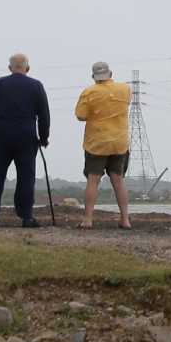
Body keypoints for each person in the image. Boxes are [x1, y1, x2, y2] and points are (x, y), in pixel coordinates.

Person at [0, 53, 50, 228]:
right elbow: (44, 115)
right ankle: (26, 216)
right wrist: (43, 137)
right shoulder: (36, 86)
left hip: (0, 136)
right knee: (26, 177)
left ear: (10, 68)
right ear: (27, 68)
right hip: (26, 137)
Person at [74, 61, 133, 230]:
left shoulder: (89, 92)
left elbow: (80, 115)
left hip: (97, 142)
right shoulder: (125, 89)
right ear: (111, 73)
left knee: (93, 180)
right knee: (118, 180)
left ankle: (88, 219)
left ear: (94, 77)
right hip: (119, 142)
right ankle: (125, 220)